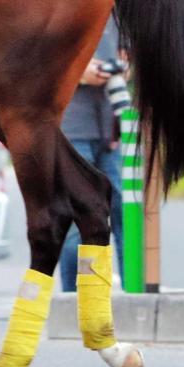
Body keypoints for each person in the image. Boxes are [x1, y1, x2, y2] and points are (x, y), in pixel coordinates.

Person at [58, 15, 125, 291]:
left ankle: (134, 295)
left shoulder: (117, 16)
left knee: (124, 213)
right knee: (79, 221)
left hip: (109, 132)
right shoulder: (58, 8)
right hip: (72, 130)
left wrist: (121, 68)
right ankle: (74, 300)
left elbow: (127, 59)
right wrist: (80, 71)